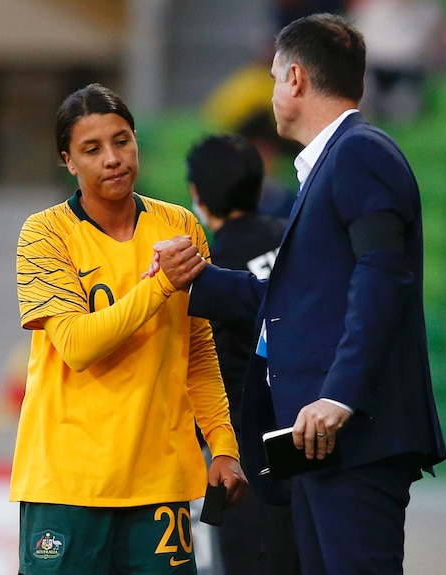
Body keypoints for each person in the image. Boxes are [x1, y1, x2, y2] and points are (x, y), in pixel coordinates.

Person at [151, 13, 446, 575]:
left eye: (270, 77)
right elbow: (299, 301)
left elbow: (384, 275)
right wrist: (198, 281)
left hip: (349, 436)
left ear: (295, 79)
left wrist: (338, 398)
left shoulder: (362, 153)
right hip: (313, 443)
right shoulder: (330, 166)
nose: (269, 91)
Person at [9, 83, 247, 575]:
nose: (112, 158)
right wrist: (160, 286)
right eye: (92, 149)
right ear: (68, 161)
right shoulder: (45, 233)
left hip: (160, 485)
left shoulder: (178, 226)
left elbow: (198, 350)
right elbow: (76, 344)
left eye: (121, 141)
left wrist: (223, 445)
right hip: (68, 484)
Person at [186, 134, 298, 575]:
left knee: (234, 559)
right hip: (303, 442)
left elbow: (198, 365)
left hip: (235, 456)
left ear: (198, 194)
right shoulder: (297, 242)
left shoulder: (205, 269)